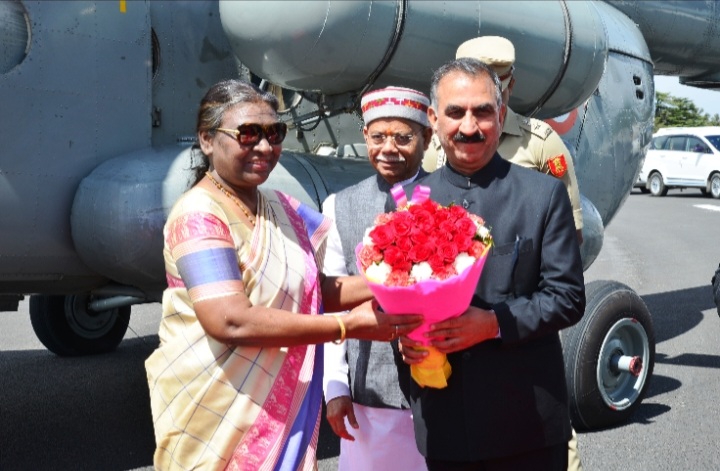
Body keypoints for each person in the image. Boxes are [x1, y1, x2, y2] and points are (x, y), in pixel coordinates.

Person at [144, 79, 422, 471]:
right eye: (248, 134)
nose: (264, 146)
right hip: (216, 414)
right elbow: (230, 321)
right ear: (207, 140)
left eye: (274, 133)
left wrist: (392, 282)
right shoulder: (199, 216)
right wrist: (348, 327)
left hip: (278, 409)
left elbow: (315, 290)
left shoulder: (281, 207)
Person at [400, 58, 585, 470]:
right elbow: (393, 297)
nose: (470, 126)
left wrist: (492, 323)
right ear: (433, 118)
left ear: (501, 115)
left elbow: (568, 298)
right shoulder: (410, 203)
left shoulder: (542, 196)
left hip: (526, 424)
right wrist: (403, 336)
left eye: (483, 111)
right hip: (444, 422)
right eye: (455, 112)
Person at [322, 86, 433, 471]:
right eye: (377, 136)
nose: (389, 148)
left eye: (403, 137)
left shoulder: (449, 197)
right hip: (370, 394)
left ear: (426, 138)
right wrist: (335, 387)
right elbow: (332, 300)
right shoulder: (339, 206)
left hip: (442, 390)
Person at [423, 36, 584, 244]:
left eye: (494, 94)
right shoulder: (439, 147)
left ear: (511, 85)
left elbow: (570, 233)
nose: (470, 127)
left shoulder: (540, 143)